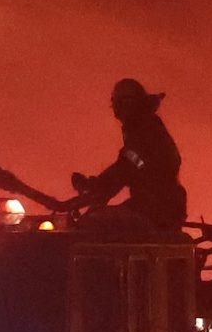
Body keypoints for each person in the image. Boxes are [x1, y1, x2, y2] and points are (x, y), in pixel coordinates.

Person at [71, 79, 187, 233]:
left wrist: (96, 187)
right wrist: (98, 189)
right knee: (96, 217)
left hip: (156, 210)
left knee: (92, 223)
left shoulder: (145, 131)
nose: (118, 112)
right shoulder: (145, 128)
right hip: (153, 207)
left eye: (121, 105)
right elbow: (127, 168)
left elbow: (125, 168)